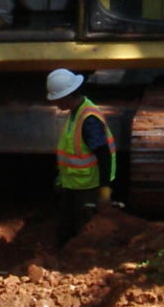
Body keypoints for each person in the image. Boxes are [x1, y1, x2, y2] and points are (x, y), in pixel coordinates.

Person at [46, 67, 115, 230]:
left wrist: (104, 192)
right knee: (67, 229)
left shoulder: (89, 120)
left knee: (85, 232)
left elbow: (104, 155)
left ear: (66, 96)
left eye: (57, 98)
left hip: (88, 189)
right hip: (73, 185)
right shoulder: (75, 113)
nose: (55, 103)